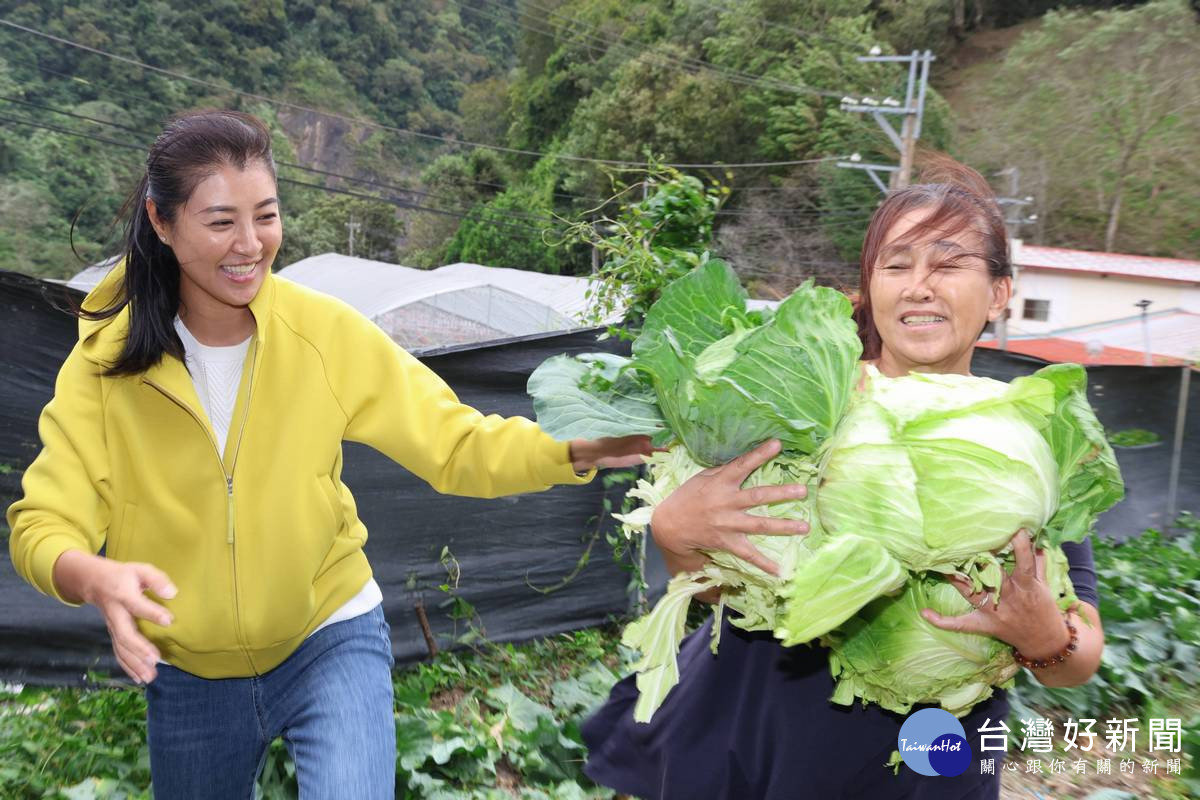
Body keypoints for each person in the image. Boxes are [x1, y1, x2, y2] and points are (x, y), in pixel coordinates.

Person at [6, 109, 652, 799]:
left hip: (329, 636)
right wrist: (89, 577)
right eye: (221, 221)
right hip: (189, 670)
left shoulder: (324, 335)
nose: (250, 244)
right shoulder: (106, 362)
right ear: (161, 223)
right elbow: (44, 522)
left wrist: (576, 444)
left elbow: (455, 445)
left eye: (267, 215)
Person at [581, 157, 1105, 800]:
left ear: (1000, 292)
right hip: (755, 731)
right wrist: (674, 533)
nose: (920, 285)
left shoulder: (1024, 438)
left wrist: (1045, 638)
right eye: (897, 264)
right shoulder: (799, 401)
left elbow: (1078, 658)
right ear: (870, 283)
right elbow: (719, 591)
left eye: (948, 263)